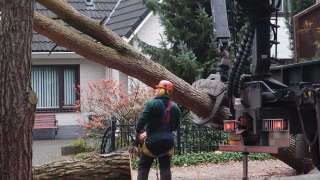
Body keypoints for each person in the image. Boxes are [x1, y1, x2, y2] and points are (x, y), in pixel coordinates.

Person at [135, 80, 181, 180]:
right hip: (168, 143)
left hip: (152, 143)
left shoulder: (152, 104)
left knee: (143, 166)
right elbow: (175, 126)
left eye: (158, 88)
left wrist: (139, 132)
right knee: (165, 168)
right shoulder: (175, 107)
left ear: (161, 90)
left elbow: (141, 121)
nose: (156, 90)